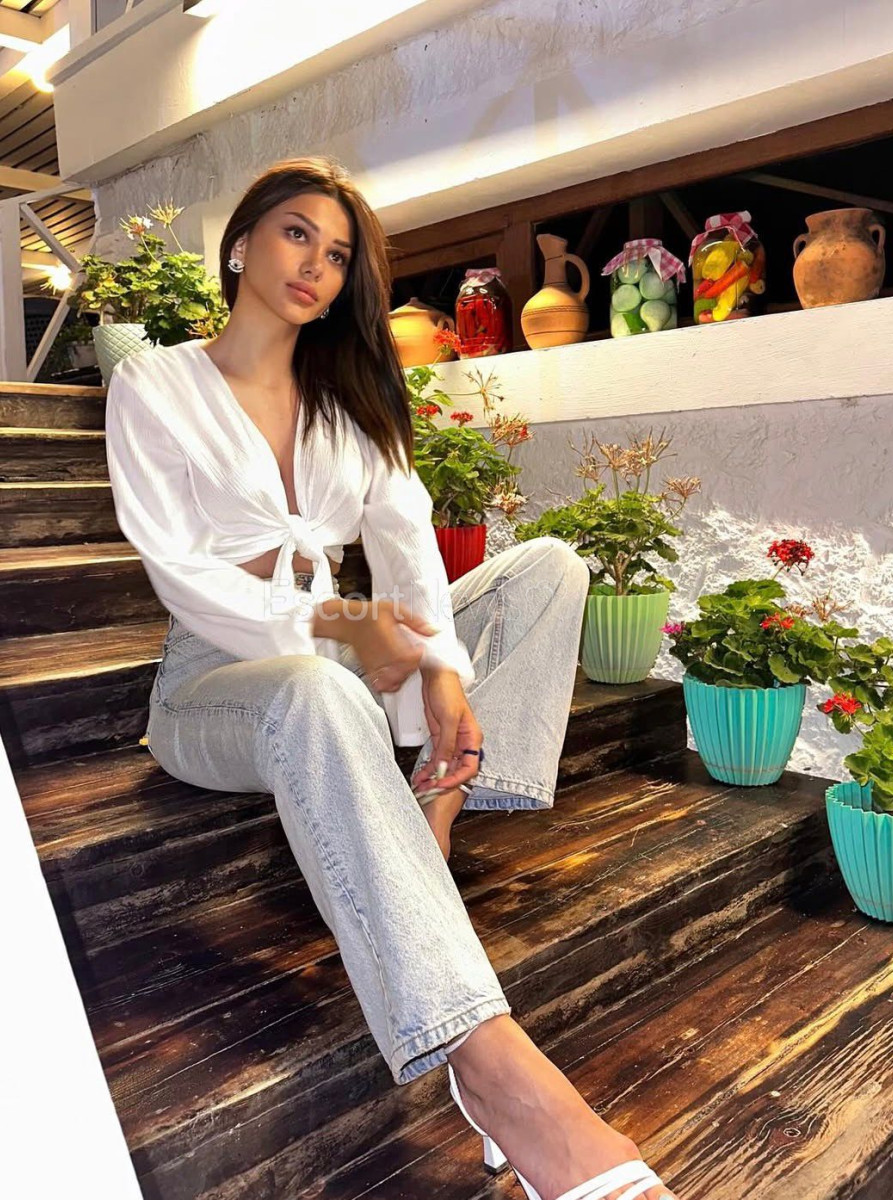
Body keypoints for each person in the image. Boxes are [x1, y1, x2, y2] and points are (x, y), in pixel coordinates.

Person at [104, 155, 677, 1200]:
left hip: (346, 655)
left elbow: (407, 547)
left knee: (548, 568)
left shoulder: (350, 397)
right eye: (295, 235)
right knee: (318, 686)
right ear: (241, 243)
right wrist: (339, 619)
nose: (313, 266)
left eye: (336, 256)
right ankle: (489, 1070)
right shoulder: (155, 384)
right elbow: (181, 573)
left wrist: (442, 673)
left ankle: (433, 820)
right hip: (218, 682)